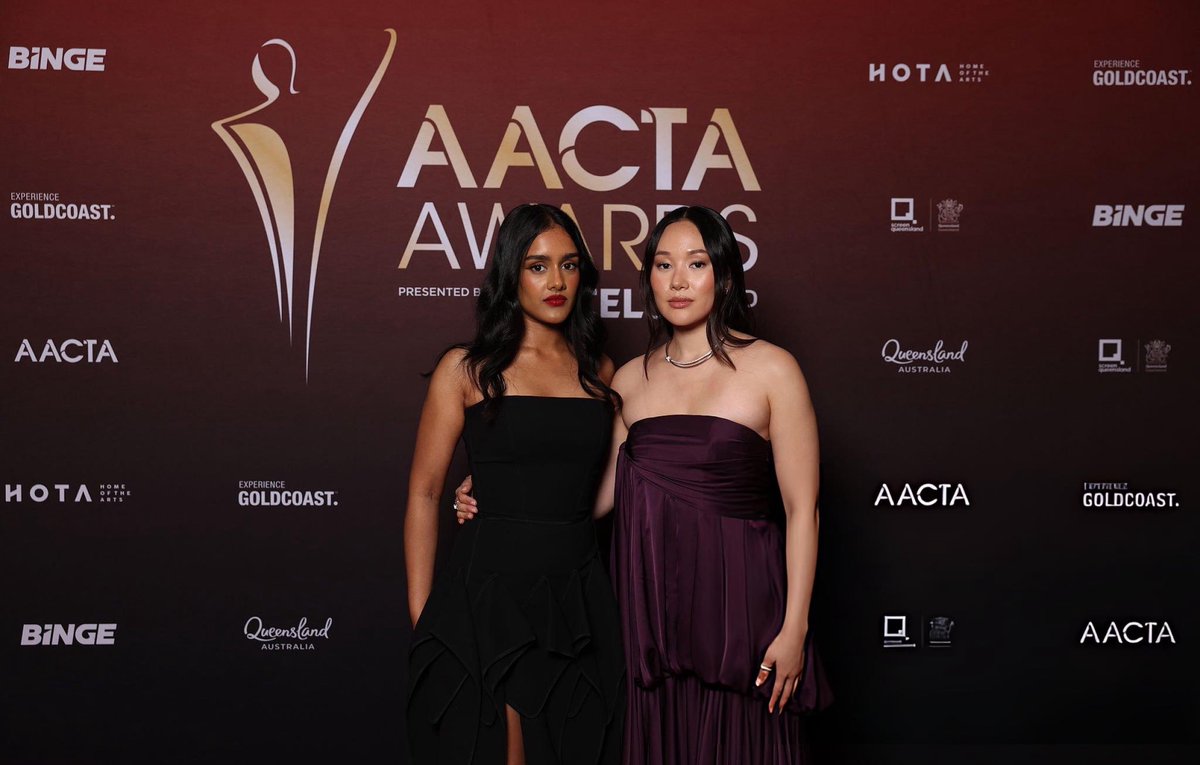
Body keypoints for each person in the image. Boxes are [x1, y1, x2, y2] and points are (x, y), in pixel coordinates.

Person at [457, 206, 830, 763]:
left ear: (723, 275)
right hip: (652, 619)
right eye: (663, 265)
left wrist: (794, 628)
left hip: (744, 617)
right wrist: (497, 482)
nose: (678, 281)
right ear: (648, 278)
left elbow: (805, 509)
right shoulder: (629, 378)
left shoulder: (773, 369)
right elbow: (592, 497)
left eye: (696, 263)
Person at [405, 203, 625, 765]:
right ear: (510, 273)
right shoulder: (468, 369)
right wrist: (425, 616)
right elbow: (426, 493)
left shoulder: (600, 371)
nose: (556, 281)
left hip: (577, 593)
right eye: (537, 266)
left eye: (570, 265)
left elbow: (602, 491)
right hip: (488, 595)